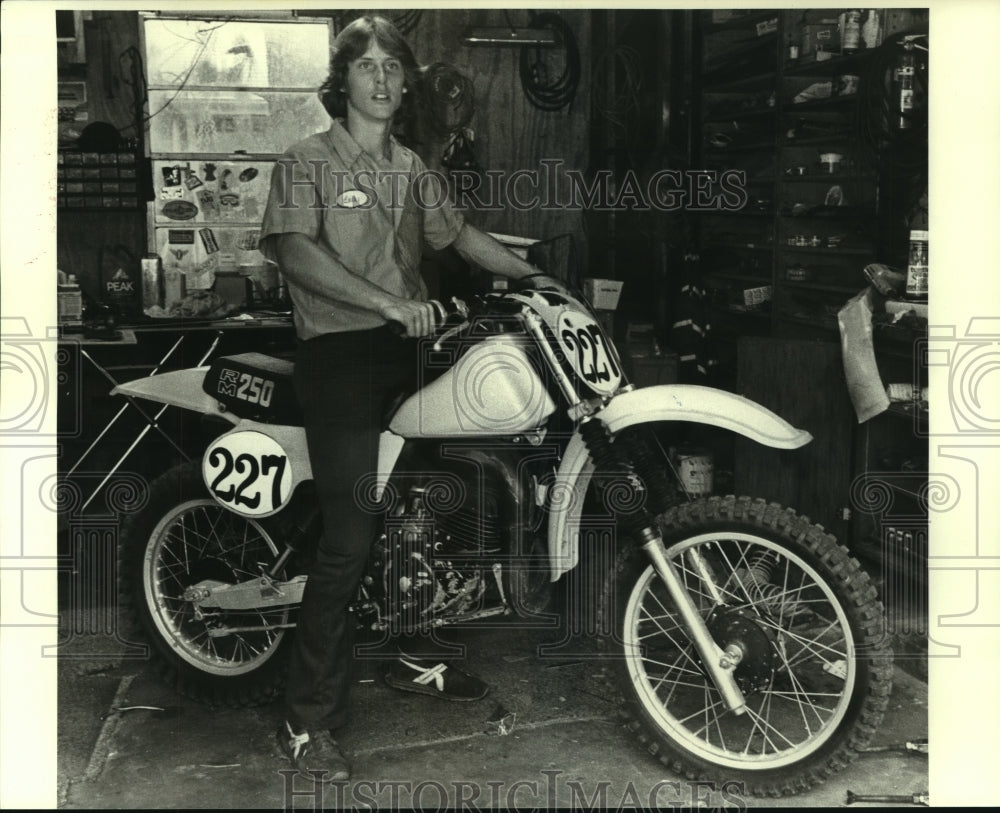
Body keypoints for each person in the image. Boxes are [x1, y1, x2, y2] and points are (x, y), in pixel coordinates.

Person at [258, 15, 542, 782]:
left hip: (411, 353)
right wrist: (384, 304)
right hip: (340, 356)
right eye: (366, 66)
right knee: (351, 535)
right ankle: (304, 719)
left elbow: (461, 238)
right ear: (341, 80)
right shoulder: (305, 162)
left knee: (427, 510)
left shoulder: (413, 166)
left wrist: (537, 280)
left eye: (392, 67)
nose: (381, 78)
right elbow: (295, 253)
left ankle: (411, 653)